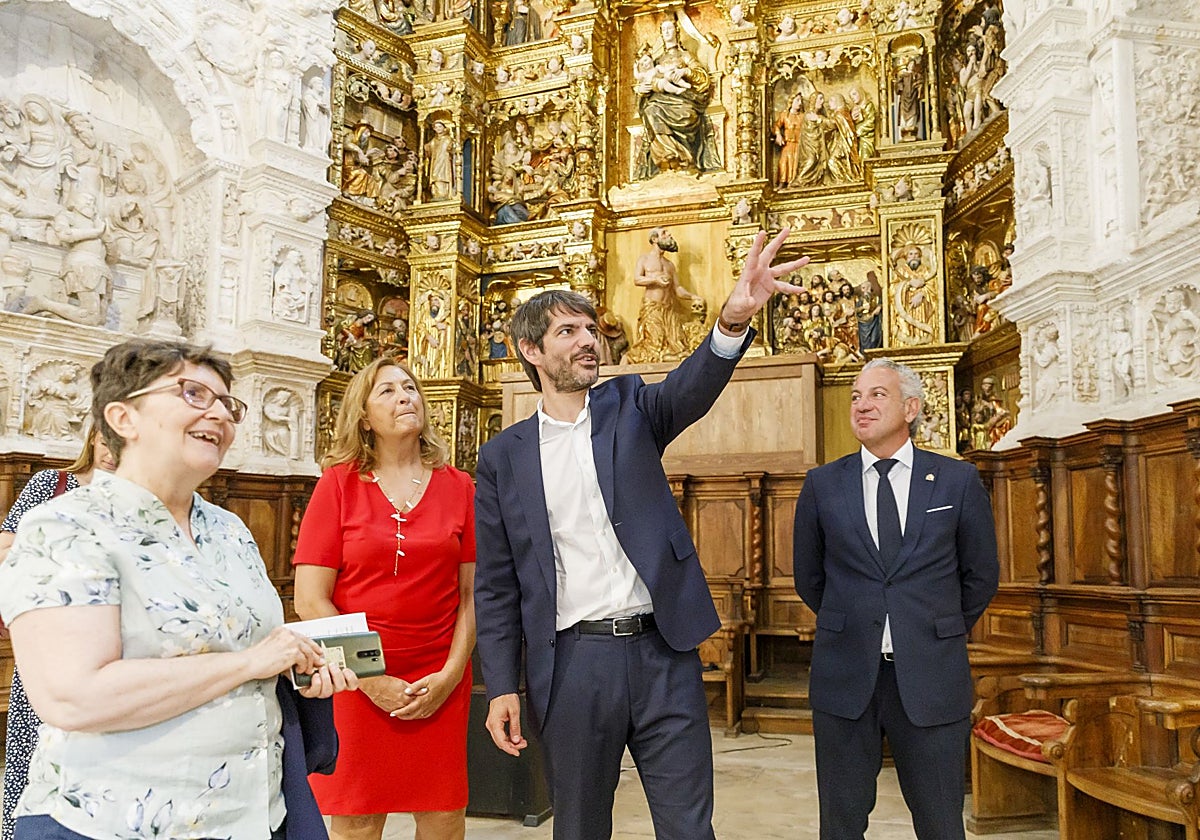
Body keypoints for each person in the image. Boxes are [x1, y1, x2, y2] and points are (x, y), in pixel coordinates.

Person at [474, 227, 807, 840]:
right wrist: (501, 687)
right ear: (529, 350)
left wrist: (732, 319)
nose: (587, 341)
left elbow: (691, 388)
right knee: (579, 829)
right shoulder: (503, 458)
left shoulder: (631, 407)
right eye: (566, 332)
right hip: (572, 663)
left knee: (688, 828)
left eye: (590, 328)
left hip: (663, 654)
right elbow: (496, 586)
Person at [0, 339, 358, 840]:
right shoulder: (64, 526)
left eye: (228, 404)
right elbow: (73, 697)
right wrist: (253, 663)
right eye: (193, 393)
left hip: (255, 814)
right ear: (123, 418)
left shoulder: (230, 528)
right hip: (120, 821)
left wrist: (300, 669)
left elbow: (254, 651)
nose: (220, 414)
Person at [792, 357, 999, 840]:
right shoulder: (822, 485)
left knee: (940, 823)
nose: (862, 406)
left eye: (876, 395)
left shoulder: (956, 480)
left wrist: (933, 623)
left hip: (931, 675)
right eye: (856, 397)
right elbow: (809, 578)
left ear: (910, 407)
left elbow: (981, 575)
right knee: (840, 824)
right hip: (846, 677)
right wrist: (858, 619)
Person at [293, 356, 476, 840]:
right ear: (363, 416)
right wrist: (371, 680)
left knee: (443, 817)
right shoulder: (338, 484)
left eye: (410, 388)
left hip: (439, 671)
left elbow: (472, 596)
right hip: (356, 677)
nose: (404, 397)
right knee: (357, 818)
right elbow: (311, 600)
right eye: (388, 391)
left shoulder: (460, 487)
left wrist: (452, 674)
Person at [0, 425, 116, 840]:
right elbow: (6, 547)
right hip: (46, 643)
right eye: (106, 443)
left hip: (108, 652)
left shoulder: (136, 502)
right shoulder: (51, 484)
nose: (111, 455)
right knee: (29, 757)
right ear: (92, 440)